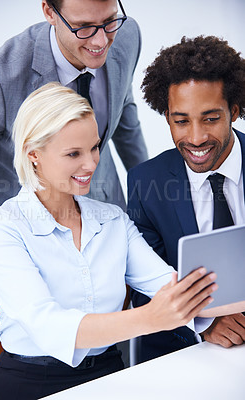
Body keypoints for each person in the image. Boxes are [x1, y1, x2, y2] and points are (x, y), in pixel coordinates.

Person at [0, 82, 219, 400]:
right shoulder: (0, 228)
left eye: (94, 147)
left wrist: (214, 308)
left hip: (108, 374)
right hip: (31, 384)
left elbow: (166, 284)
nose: (92, 164)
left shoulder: (112, 220)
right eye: (73, 153)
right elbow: (48, 326)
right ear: (33, 155)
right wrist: (150, 317)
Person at [0, 0, 148, 327]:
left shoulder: (127, 37)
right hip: (24, 241)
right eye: (84, 27)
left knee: (113, 344)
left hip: (104, 214)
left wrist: (155, 205)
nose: (101, 42)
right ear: (49, 12)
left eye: (109, 21)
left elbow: (125, 120)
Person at [127, 35, 245, 364]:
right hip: (190, 355)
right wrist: (203, 322)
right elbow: (142, 286)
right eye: (181, 121)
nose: (195, 138)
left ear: (233, 111)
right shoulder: (145, 182)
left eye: (210, 118)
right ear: (166, 116)